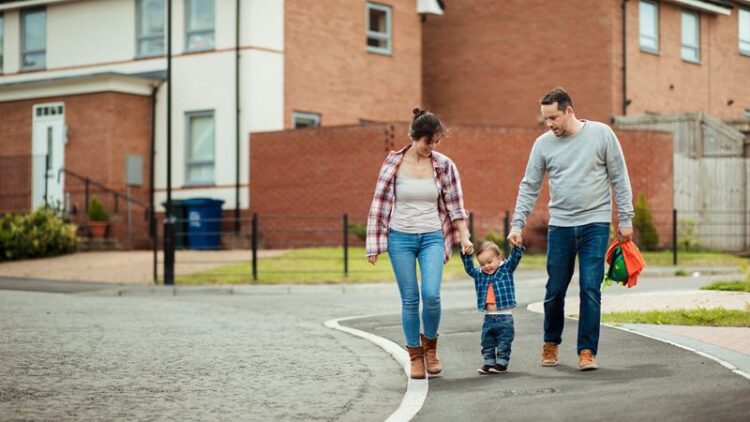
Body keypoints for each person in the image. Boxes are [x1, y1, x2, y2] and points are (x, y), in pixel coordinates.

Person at [507, 87, 634, 371]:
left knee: (590, 288)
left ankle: (587, 350)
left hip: (595, 224)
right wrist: (518, 224)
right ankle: (551, 342)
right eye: (545, 119)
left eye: (553, 117)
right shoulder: (543, 144)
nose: (549, 124)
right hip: (561, 226)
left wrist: (625, 218)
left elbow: (619, 178)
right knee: (554, 289)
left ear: (569, 111)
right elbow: (529, 185)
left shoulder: (601, 134)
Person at [366, 108, 473, 379]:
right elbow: (379, 203)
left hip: (432, 237)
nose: (432, 147)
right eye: (429, 141)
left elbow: (455, 205)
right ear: (415, 137)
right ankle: (415, 355)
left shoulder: (444, 165)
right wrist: (375, 243)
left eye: (436, 142)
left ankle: (431, 349)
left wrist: (464, 235)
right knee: (410, 299)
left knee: (432, 296)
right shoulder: (393, 163)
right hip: (399, 237)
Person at [461, 241, 525, 375]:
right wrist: (467, 255)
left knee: (504, 342)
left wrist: (516, 247)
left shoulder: (506, 269)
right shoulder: (480, 274)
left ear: (499, 258)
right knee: (487, 341)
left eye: (489, 262)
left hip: (505, 317)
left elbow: (514, 259)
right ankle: (489, 363)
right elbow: (470, 269)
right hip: (488, 317)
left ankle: (501, 363)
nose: (487, 266)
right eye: (483, 264)